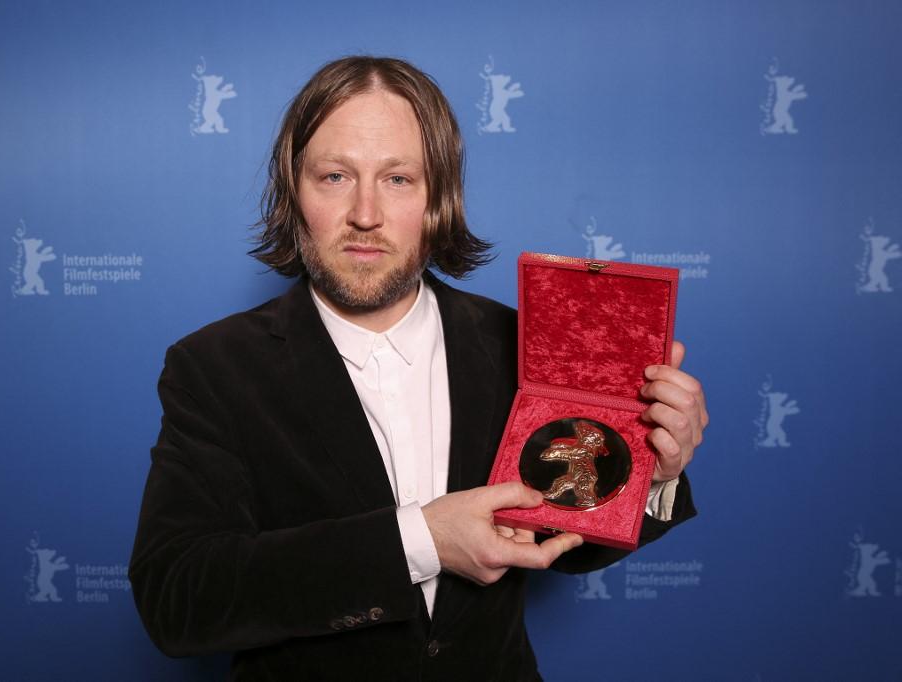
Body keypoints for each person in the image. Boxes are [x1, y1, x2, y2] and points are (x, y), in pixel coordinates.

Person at [130, 56, 706, 681]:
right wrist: (421, 541)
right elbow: (178, 600)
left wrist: (649, 470)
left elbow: (562, 539)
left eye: (399, 179)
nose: (366, 214)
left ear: (439, 197)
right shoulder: (213, 367)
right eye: (334, 176)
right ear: (294, 194)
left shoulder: (523, 344)